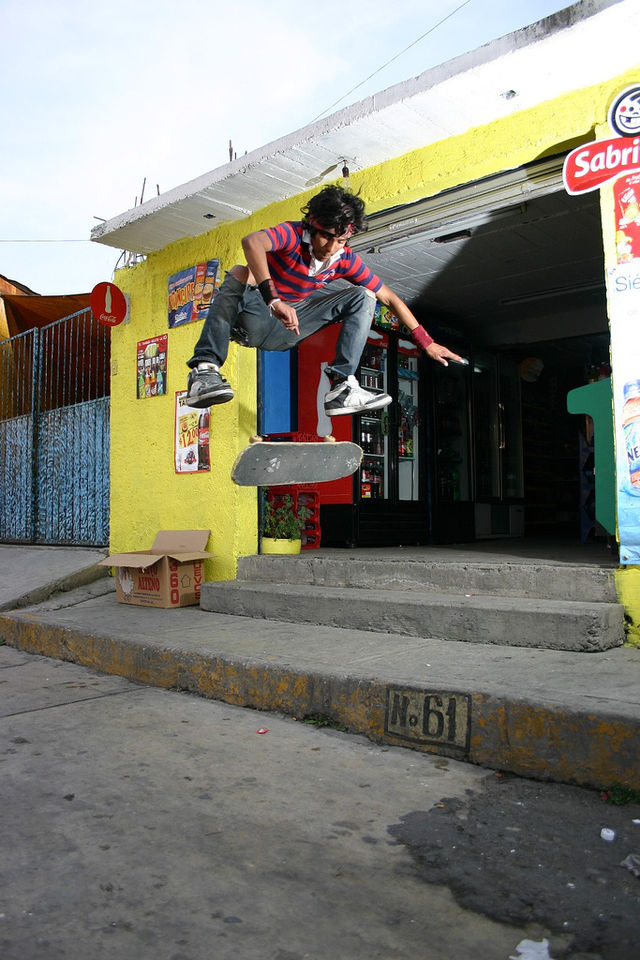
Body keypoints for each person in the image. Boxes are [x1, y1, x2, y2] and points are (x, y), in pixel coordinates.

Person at [186, 185, 463, 414]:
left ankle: (342, 386)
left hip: (290, 328)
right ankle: (204, 371)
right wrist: (273, 300)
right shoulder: (291, 235)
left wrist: (426, 343)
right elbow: (251, 242)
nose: (330, 249)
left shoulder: (344, 260)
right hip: (255, 319)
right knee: (239, 272)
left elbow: (389, 298)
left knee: (364, 294)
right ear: (312, 227)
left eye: (340, 241)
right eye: (325, 237)